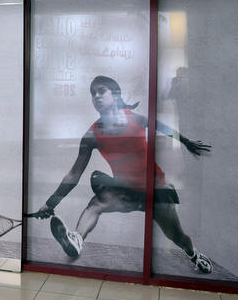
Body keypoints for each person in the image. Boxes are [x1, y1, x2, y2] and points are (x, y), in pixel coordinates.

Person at [36, 75, 213, 274]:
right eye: (93, 94)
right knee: (95, 204)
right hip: (125, 193)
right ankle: (76, 239)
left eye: (101, 91)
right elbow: (73, 175)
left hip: (156, 191)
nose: (96, 96)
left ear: (115, 94)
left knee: (177, 236)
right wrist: (50, 204)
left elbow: (163, 127)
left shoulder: (135, 118)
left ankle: (193, 255)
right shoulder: (91, 135)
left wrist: (187, 142)